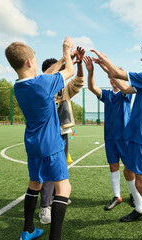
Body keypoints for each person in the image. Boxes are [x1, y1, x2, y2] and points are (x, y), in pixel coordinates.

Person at [91, 40, 142, 240]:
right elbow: (126, 89)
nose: (141, 58)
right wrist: (107, 70)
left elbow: (120, 75)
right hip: (134, 134)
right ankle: (139, 208)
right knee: (128, 172)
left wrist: (105, 61)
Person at [5, 37, 74, 240]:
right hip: (51, 146)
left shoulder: (19, 86)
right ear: (29, 62)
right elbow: (69, 72)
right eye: (35, 60)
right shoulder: (42, 83)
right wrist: (67, 52)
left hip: (33, 146)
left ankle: (28, 230)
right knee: (64, 188)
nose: (36, 63)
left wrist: (62, 59)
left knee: (34, 184)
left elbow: (46, 76)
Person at [83, 56, 137, 211]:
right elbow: (92, 87)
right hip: (110, 137)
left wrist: (108, 69)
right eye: (111, 78)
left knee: (128, 168)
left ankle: (133, 194)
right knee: (113, 166)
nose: (113, 80)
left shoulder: (126, 93)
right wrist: (91, 71)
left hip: (124, 138)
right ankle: (117, 196)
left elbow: (119, 80)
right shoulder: (107, 95)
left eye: (115, 76)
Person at [38, 47, 85, 225]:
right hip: (47, 135)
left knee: (60, 167)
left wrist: (78, 63)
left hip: (63, 132)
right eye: (56, 71)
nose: (60, 74)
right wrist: (64, 58)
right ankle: (45, 207)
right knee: (48, 172)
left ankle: (58, 196)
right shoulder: (39, 88)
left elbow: (79, 81)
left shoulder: (63, 88)